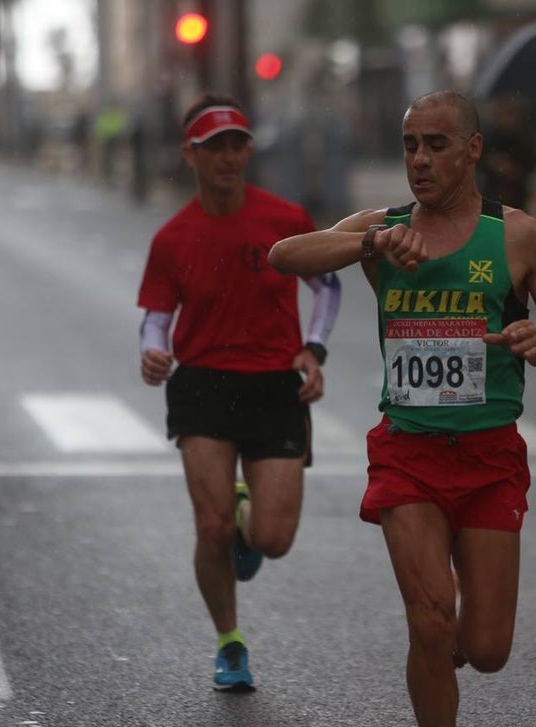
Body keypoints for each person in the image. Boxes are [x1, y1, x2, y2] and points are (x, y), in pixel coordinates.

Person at [267, 90, 536, 727]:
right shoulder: (384, 228)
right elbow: (282, 255)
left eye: (436, 144)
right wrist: (366, 241)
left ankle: (440, 651)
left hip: (489, 455)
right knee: (430, 619)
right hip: (408, 454)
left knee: (486, 647)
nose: (420, 159)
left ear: (472, 149)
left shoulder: (515, 236)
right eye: (410, 145)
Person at [136, 93, 341, 692]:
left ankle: (249, 517)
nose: (228, 157)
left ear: (248, 151)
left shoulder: (284, 220)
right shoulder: (173, 237)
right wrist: (153, 348)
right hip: (201, 385)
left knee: (272, 540)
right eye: (213, 147)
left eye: (237, 145)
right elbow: (155, 313)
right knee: (211, 529)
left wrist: (315, 347)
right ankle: (229, 643)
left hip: (274, 386)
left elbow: (326, 287)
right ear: (190, 156)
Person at [476, 98, 536, 210]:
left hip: (516, 195)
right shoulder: (490, 137)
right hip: (492, 194)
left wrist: (514, 169)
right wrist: (493, 163)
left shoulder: (525, 138)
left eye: (510, 114)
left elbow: (531, 163)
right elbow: (479, 160)